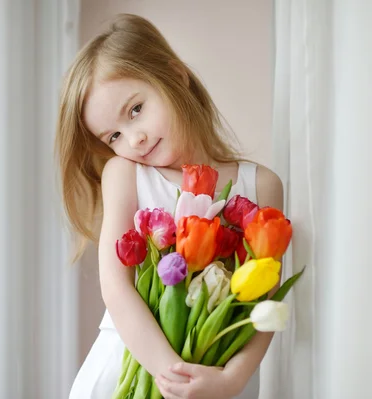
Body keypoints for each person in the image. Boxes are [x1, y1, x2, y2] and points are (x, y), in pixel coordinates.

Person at [56, 14, 283, 399]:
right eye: (114, 135)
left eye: (135, 110)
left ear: (176, 77)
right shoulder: (125, 175)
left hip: (219, 380)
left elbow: (266, 300)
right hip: (129, 369)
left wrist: (231, 381)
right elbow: (116, 288)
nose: (135, 138)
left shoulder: (260, 185)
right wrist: (171, 376)